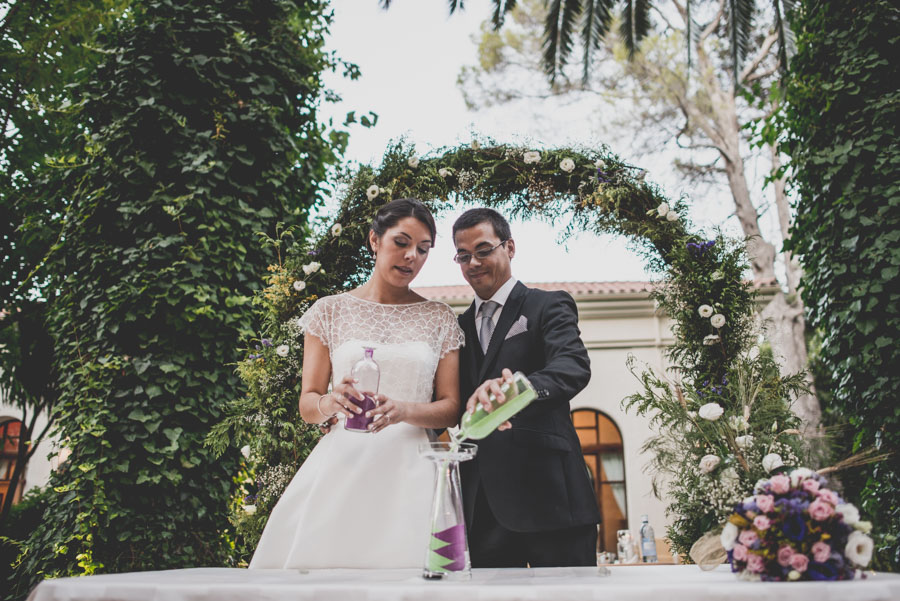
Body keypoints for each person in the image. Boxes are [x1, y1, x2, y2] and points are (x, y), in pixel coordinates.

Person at [249, 198, 464, 569]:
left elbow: (450, 407)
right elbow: (307, 404)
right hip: (341, 466)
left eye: (423, 249)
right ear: (374, 240)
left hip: (412, 472)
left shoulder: (439, 317)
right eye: (401, 242)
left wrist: (404, 410)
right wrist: (331, 402)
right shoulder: (329, 311)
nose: (412, 255)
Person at [452, 207, 600, 568]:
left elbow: (572, 368)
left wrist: (514, 393)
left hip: (551, 499)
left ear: (510, 247)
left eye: (484, 250)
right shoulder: (455, 328)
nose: (473, 262)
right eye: (463, 255)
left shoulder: (548, 305)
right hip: (481, 511)